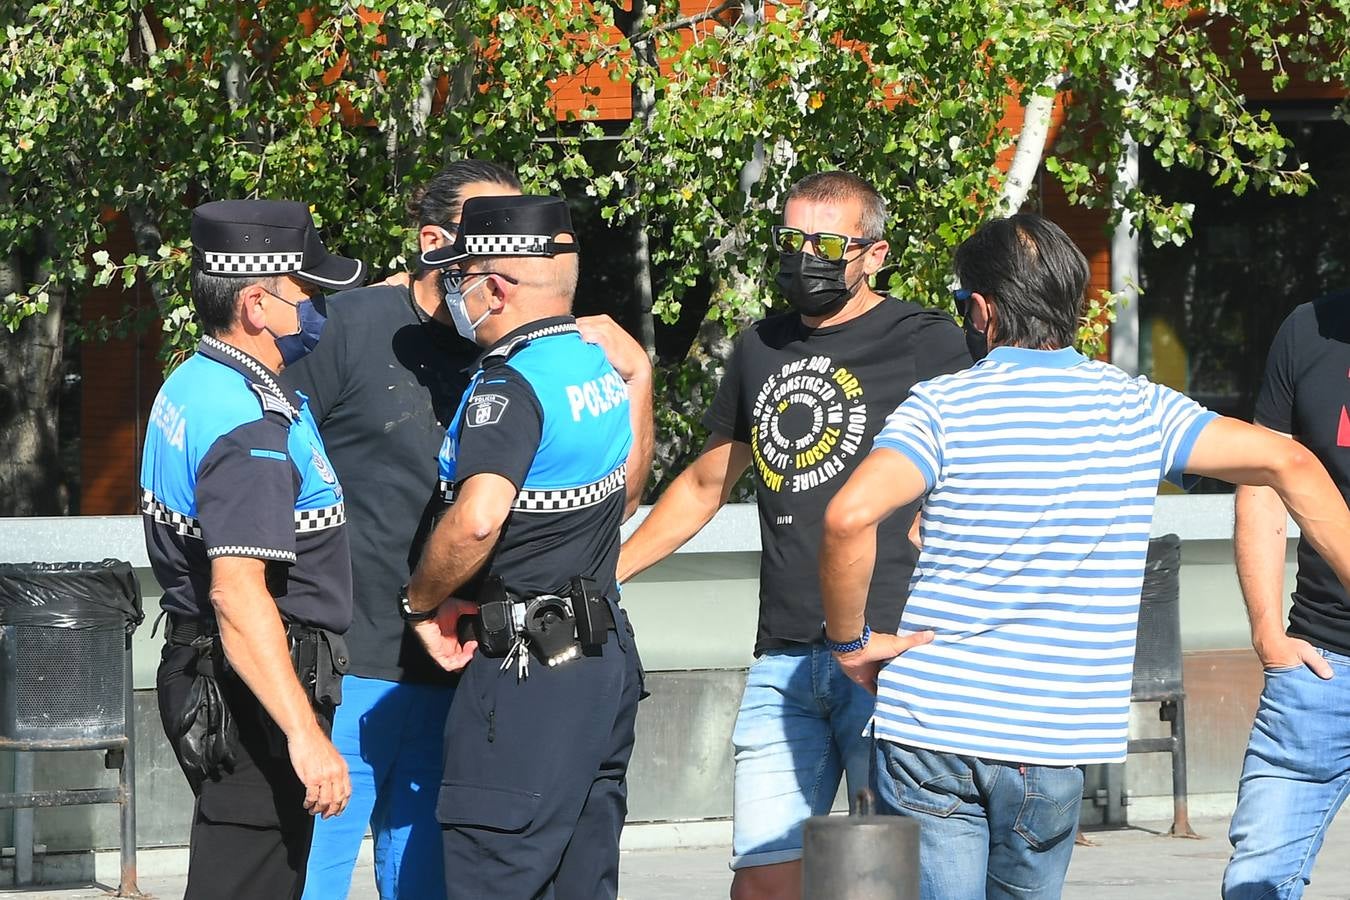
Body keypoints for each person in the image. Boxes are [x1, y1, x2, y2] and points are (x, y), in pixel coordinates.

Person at [818, 214, 1350, 900]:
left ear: (982, 312)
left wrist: (850, 641)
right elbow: (1290, 463)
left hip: (932, 724)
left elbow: (848, 516)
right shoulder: (1139, 408)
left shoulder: (940, 406)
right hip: (1052, 739)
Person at [284, 161, 653, 900]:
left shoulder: (536, 352)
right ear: (438, 243)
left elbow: (618, 491)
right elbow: (273, 473)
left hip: (463, 670)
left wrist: (638, 375)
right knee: (310, 884)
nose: (518, 248)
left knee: (432, 885)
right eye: (491, 234)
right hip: (346, 671)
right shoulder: (350, 328)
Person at [617, 170, 971, 900]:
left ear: (874, 255)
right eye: (792, 238)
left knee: (898, 880)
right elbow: (708, 483)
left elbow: (982, 470)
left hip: (890, 653)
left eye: (827, 242)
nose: (804, 255)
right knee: (763, 882)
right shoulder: (760, 346)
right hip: (786, 658)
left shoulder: (926, 340)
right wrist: (607, 570)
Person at [399, 194, 650, 900]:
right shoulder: (592, 367)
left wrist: (423, 600)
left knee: (496, 875)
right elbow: (627, 494)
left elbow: (478, 520)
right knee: (580, 880)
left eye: (462, 275)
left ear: (497, 287)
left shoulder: (509, 385)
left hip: (526, 670)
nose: (454, 291)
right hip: (601, 659)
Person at [140, 199, 366, 899]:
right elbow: (238, 595)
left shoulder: (196, 381)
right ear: (257, 305)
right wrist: (303, 733)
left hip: (213, 669)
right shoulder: (250, 427)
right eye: (309, 294)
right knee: (247, 881)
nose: (319, 309)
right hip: (253, 697)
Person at [1223, 289, 1350, 899]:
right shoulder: (1308, 329)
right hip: (1321, 666)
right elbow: (1262, 479)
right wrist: (1269, 633)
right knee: (1257, 883)